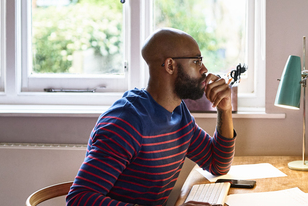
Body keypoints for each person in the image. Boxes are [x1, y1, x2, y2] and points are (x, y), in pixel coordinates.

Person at [66, 28, 236, 206]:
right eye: (196, 61)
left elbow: (217, 164)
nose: (204, 69)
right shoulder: (126, 122)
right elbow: (78, 199)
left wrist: (225, 108)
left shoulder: (179, 113)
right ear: (170, 65)